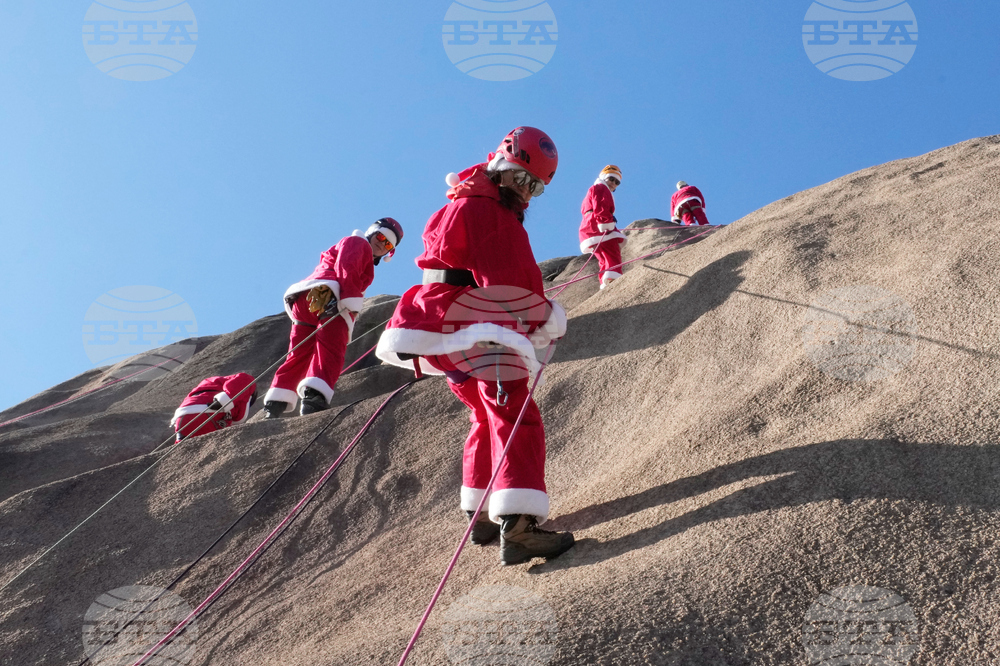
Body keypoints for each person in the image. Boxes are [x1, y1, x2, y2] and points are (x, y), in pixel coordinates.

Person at [375, 127, 574, 567]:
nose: (526, 193)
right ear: (501, 166)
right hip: (478, 327)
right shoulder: (492, 215)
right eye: (521, 179)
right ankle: (519, 526)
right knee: (514, 413)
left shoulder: (458, 203)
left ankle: (480, 513)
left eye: (535, 187)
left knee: (484, 414)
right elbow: (512, 283)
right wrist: (546, 316)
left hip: (437, 327)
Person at [262, 219, 403, 418]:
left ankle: (275, 402)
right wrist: (349, 301)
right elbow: (348, 268)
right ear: (372, 233)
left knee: (299, 352)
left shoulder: (356, 246)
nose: (382, 244)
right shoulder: (358, 242)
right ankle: (315, 396)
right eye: (380, 237)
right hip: (330, 297)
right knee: (330, 348)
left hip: (305, 301)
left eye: (388, 244)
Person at [170, 373, 257, 443]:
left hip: (181, 419)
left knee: (183, 449)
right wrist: (224, 400)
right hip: (208, 412)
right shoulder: (236, 383)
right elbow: (246, 378)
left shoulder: (211, 383)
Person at [579, 165, 628, 289]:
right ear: (603, 177)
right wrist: (606, 222)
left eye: (617, 182)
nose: (613, 183)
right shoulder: (601, 187)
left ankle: (604, 282)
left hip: (588, 227)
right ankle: (613, 277)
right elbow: (601, 206)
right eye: (611, 179)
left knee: (602, 257)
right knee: (612, 250)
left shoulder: (594, 189)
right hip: (598, 224)